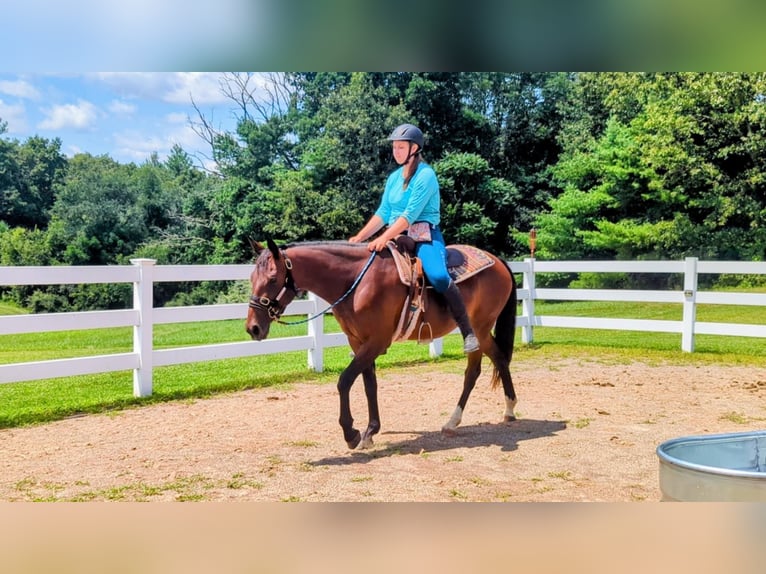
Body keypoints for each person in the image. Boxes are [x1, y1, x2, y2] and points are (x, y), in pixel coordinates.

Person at [349, 123, 480, 353]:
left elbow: (408, 216)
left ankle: (467, 331)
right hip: (397, 237)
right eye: (394, 147)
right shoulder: (393, 178)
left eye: (400, 147)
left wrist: (383, 238)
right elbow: (383, 213)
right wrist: (359, 237)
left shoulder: (426, 175)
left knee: (438, 276)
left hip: (424, 236)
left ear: (414, 148)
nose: (396, 151)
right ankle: (374, 335)